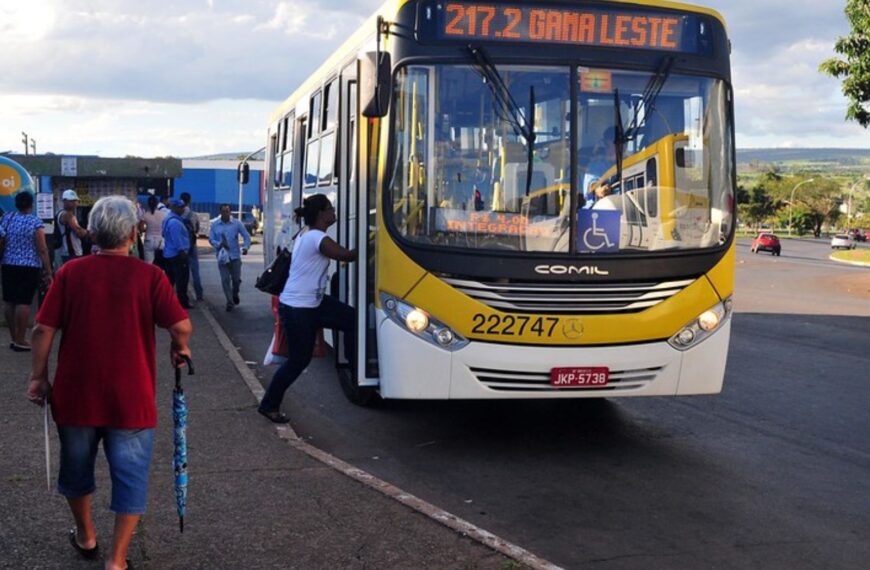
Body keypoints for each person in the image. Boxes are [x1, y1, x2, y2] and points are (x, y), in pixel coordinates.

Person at [25, 196, 192, 570]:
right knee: (130, 477)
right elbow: (180, 326)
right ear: (134, 234)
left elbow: (41, 329)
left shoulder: (70, 273)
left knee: (77, 470)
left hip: (76, 396)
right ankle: (116, 561)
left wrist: (38, 377)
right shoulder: (151, 277)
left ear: (94, 234)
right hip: (131, 399)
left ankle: (86, 536)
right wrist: (179, 347)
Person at [258, 194, 357, 423]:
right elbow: (347, 256)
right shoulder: (315, 237)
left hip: (312, 302)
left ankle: (354, 368)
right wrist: (373, 241)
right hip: (299, 308)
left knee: (352, 320)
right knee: (298, 361)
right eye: (331, 208)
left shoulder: (307, 235)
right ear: (322, 214)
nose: (334, 212)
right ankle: (269, 404)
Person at [1, 192, 53, 351]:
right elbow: (42, 248)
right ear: (31, 204)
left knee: (9, 301)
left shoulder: (7, 219)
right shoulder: (35, 222)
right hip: (29, 266)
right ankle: (21, 339)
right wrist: (48, 270)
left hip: (8, 264)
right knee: (23, 302)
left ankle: (13, 338)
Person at [208, 203, 251, 312]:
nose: (225, 213)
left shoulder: (236, 224)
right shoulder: (215, 225)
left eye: (227, 211)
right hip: (222, 258)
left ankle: (235, 293)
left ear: (230, 212)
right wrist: (219, 244)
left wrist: (245, 247)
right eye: (223, 211)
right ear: (220, 212)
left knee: (236, 280)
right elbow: (211, 239)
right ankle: (229, 302)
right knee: (225, 280)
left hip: (235, 256)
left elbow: (246, 236)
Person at [162, 198, 192, 309]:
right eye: (180, 207)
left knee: (171, 279)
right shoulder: (174, 222)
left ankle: (167, 301)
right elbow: (176, 238)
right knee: (182, 279)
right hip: (178, 255)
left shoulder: (169, 219)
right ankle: (182, 302)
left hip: (170, 253)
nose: (183, 209)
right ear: (174, 207)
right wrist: (181, 251)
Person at [179, 192, 204, 301]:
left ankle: (182, 295)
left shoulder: (178, 214)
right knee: (195, 272)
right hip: (192, 246)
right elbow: (197, 230)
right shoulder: (193, 215)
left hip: (181, 247)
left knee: (182, 272)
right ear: (189, 201)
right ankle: (199, 295)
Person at [56, 189, 89, 264]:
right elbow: (79, 232)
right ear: (64, 201)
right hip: (71, 253)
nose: (74, 203)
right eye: (71, 201)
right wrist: (88, 232)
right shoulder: (67, 215)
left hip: (72, 252)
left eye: (75, 200)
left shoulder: (68, 214)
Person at [138, 195, 167, 265]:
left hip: (149, 240)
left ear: (148, 204)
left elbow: (141, 228)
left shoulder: (145, 215)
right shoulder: (164, 215)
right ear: (157, 203)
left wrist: (145, 230)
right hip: (161, 241)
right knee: (161, 265)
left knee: (149, 265)